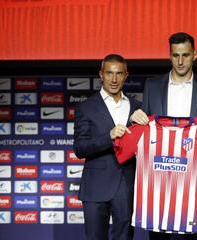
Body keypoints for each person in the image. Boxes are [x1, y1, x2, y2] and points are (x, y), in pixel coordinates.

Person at [130, 32, 197, 239]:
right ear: (169, 55)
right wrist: (133, 119)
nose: (180, 61)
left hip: (192, 184)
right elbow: (143, 131)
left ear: (195, 55)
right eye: (175, 55)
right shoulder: (152, 85)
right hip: (158, 181)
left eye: (185, 55)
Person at [74, 54, 141, 240]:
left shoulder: (138, 107)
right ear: (101, 74)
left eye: (119, 74)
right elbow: (80, 148)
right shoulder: (85, 107)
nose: (114, 79)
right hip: (95, 187)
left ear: (126, 75)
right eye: (109, 73)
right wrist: (109, 136)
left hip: (126, 186)